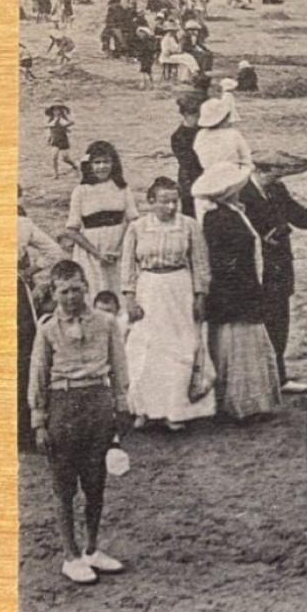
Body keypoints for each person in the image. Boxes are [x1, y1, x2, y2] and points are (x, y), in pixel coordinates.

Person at [28, 260, 132, 584]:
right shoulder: (47, 328)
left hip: (97, 404)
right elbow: (38, 375)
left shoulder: (106, 323)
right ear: (54, 292)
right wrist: (39, 421)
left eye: (76, 289)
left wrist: (121, 407)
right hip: (63, 405)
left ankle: (91, 549)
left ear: (86, 286)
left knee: (95, 481)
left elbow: (119, 367)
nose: (71, 297)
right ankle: (70, 555)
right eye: (63, 291)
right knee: (64, 486)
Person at [119, 177, 215, 431]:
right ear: (151, 202)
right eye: (164, 201)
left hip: (179, 289)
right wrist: (129, 297)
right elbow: (127, 265)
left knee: (180, 348)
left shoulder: (189, 226)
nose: (171, 207)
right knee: (146, 350)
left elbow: (201, 264)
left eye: (175, 201)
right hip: (149, 289)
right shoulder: (137, 227)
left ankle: (176, 411)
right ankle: (144, 409)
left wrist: (200, 295)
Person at [197, 164, 282, 422]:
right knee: (238, 342)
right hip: (234, 290)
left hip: (241, 285)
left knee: (242, 342)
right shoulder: (219, 218)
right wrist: (239, 282)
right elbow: (222, 258)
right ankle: (241, 404)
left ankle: (248, 402)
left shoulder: (232, 213)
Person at [242, 151, 307, 392]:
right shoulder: (242, 193)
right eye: (276, 172)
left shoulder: (276, 189)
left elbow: (297, 215)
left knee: (279, 320)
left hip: (279, 265)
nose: (279, 177)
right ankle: (259, 378)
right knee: (256, 322)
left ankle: (278, 377)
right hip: (254, 267)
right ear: (263, 170)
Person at [19, 191, 68, 450]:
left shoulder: (21, 224)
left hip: (15, 292)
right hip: (13, 288)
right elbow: (54, 251)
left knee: (23, 355)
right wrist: (29, 270)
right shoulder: (21, 223)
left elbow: (55, 252)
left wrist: (28, 271)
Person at [61, 141, 138, 299]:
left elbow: (133, 220)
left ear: (113, 163)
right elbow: (71, 230)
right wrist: (97, 254)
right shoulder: (81, 191)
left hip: (119, 252)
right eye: (97, 162)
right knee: (95, 294)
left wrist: (122, 247)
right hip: (91, 256)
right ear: (89, 164)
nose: (102, 166)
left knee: (120, 294)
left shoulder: (122, 188)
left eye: (106, 162)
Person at [192, 95, 253, 177]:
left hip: (209, 175)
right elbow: (246, 158)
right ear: (224, 119)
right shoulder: (233, 134)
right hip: (231, 174)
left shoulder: (200, 135)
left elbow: (198, 152)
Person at [169, 94, 204, 216]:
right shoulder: (178, 136)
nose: (198, 119)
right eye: (194, 116)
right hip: (189, 178)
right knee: (191, 212)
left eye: (199, 115)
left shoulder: (202, 130)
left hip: (204, 174)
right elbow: (188, 161)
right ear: (185, 115)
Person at [45, 104, 78, 178]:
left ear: (61, 110)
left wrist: (65, 127)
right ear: (52, 111)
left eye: (58, 109)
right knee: (54, 157)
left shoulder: (62, 119)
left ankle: (75, 166)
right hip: (55, 140)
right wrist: (49, 139)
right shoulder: (51, 120)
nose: (56, 111)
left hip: (63, 140)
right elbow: (51, 131)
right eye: (54, 110)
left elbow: (71, 122)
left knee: (65, 158)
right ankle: (56, 174)